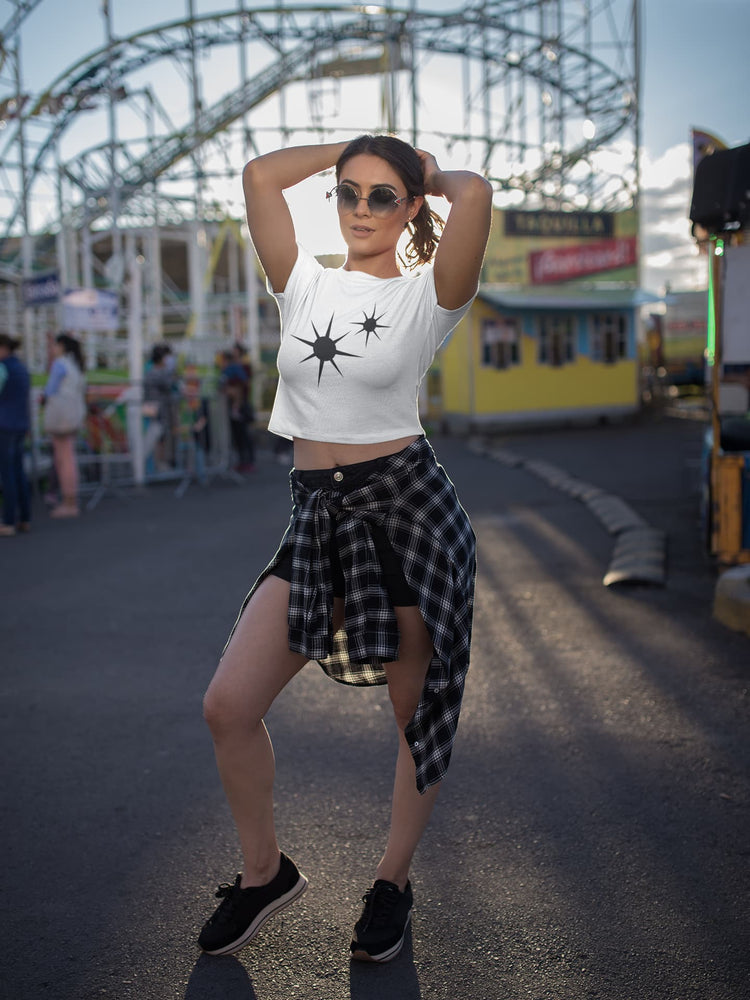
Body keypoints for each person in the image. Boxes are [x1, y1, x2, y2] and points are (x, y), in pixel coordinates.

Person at [199, 135, 492, 963]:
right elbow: (259, 175)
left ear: (410, 210)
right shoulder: (303, 283)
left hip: (406, 514)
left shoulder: (431, 294)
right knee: (228, 704)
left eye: (382, 197)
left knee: (413, 718)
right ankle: (265, 874)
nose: (361, 209)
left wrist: (422, 173)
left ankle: (392, 883)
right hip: (316, 515)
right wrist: (357, 144)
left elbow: (476, 195)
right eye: (348, 192)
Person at [42, 333, 87, 518]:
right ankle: (70, 499)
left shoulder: (60, 364)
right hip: (73, 415)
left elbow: (50, 389)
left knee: (64, 460)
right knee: (68, 458)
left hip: (60, 417)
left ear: (61, 346)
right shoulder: (75, 365)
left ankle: (69, 502)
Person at [0, 334, 32, 536]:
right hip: (20, 424)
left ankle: (8, 520)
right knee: (19, 472)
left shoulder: (3, 368)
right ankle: (25, 518)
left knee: (7, 474)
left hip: (4, 424)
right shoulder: (21, 367)